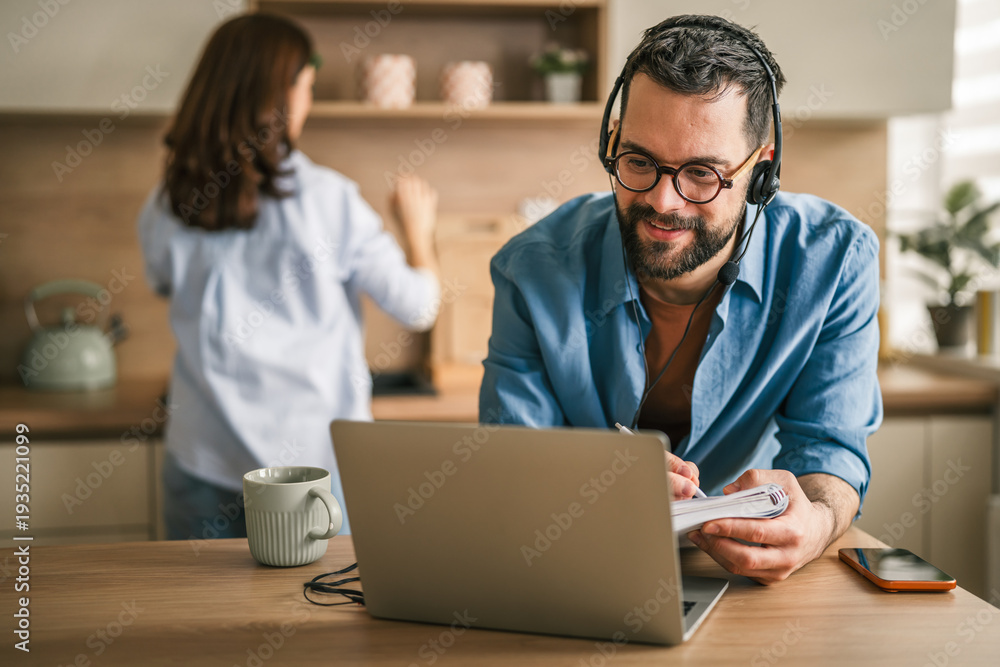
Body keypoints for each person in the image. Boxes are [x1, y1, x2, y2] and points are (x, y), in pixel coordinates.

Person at [479, 15, 881, 584]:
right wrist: (588, 487)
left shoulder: (834, 261)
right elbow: (509, 466)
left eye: (701, 173)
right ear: (612, 145)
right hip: (574, 566)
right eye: (639, 161)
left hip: (739, 582)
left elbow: (829, 450)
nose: (664, 202)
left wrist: (815, 523)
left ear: (761, 173)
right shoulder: (531, 269)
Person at [138, 13, 440, 540]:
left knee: (194, 597)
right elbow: (417, 306)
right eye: (306, 87)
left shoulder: (166, 203)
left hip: (203, 458)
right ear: (278, 97)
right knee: (315, 595)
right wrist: (418, 232)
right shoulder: (330, 200)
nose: (308, 103)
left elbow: (161, 280)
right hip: (311, 473)